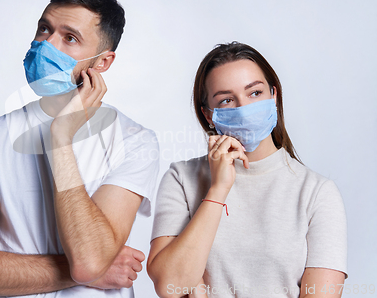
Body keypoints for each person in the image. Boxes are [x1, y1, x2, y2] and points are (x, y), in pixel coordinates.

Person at [0, 0, 159, 298]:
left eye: (70, 38)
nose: (47, 45)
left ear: (102, 62)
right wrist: (78, 271)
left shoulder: (135, 141)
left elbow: (88, 262)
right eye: (44, 29)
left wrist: (60, 137)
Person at [147, 42, 347, 298]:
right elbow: (169, 284)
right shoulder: (182, 179)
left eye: (254, 93)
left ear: (273, 96)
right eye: (227, 100)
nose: (244, 108)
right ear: (209, 115)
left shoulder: (317, 193)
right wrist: (218, 190)